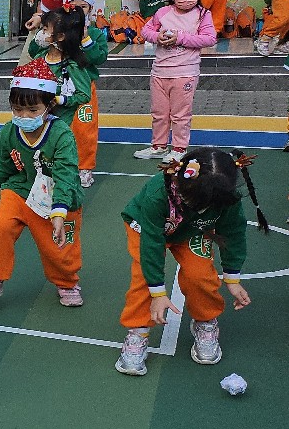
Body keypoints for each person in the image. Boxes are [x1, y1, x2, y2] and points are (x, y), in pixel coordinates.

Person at [114, 149, 269, 376]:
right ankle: (138, 331)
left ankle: (205, 321)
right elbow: (151, 245)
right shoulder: (158, 193)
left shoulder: (225, 195)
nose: (201, 208)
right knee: (143, 278)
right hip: (147, 229)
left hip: (193, 230)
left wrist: (232, 277)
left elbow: (233, 233)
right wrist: (158, 293)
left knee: (200, 275)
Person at [0, 58, 85, 308]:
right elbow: (4, 163)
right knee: (1, 227)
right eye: (17, 109)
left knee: (59, 247)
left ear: (49, 105)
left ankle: (67, 282)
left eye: (32, 110)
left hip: (56, 198)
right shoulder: (8, 131)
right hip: (19, 190)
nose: (24, 115)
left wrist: (59, 212)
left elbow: (66, 175)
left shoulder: (62, 135)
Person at [134, 0, 218, 164]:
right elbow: (146, 31)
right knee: (159, 113)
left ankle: (179, 148)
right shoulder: (163, 12)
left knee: (180, 114)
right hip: (159, 73)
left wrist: (180, 38)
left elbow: (209, 38)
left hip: (185, 73)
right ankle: (159, 146)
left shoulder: (203, 14)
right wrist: (157, 37)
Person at [27, 1, 108, 187]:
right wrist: (39, 31)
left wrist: (85, 39)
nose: (79, 10)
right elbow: (33, 52)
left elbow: (98, 57)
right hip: (52, 98)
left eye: (84, 6)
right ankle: (48, 167)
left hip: (80, 90)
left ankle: (83, 168)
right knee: (49, 133)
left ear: (91, 8)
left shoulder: (91, 35)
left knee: (83, 131)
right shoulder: (48, 44)